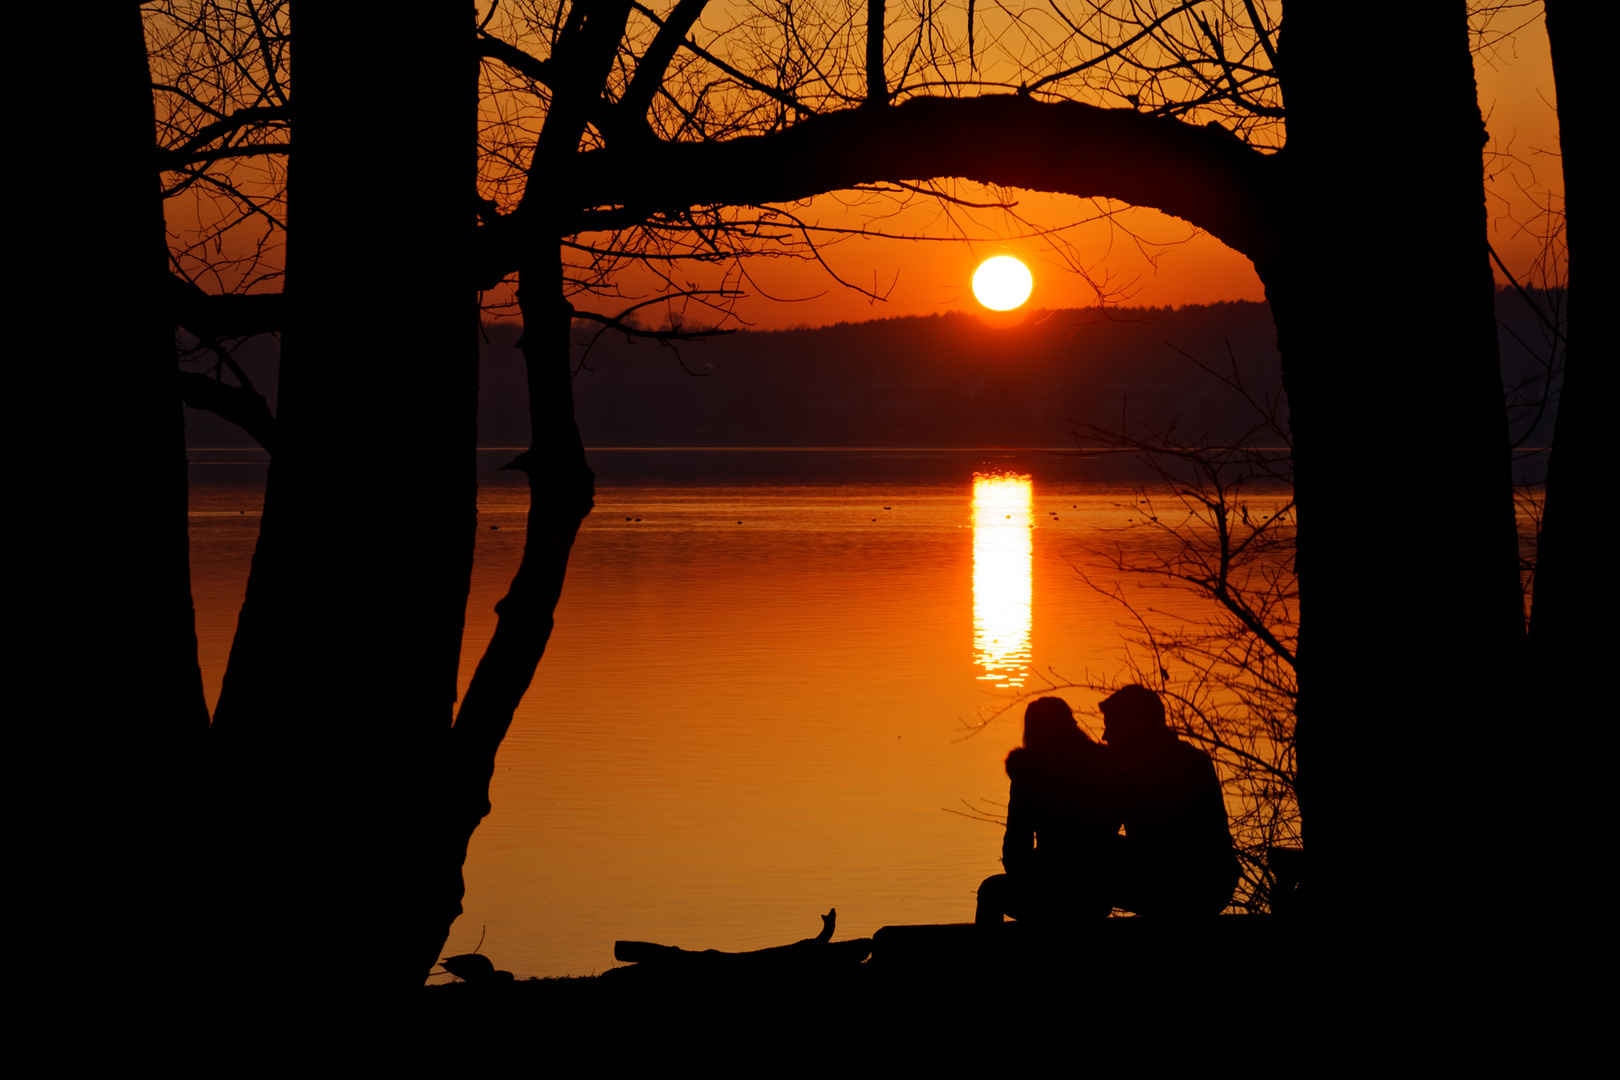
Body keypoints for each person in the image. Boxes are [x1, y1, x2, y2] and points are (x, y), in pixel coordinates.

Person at [1100, 684, 1239, 917]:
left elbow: (1101, 830)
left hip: (1178, 886)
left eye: (1111, 726)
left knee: (1082, 856)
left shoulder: (1132, 770)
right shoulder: (1194, 759)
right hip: (1216, 885)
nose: (1105, 736)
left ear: (1134, 725)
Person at [976, 697, 1117, 923]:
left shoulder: (1029, 767)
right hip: (1098, 887)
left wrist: (1023, 879)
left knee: (990, 890)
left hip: (1050, 883)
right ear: (1071, 723)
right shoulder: (1104, 762)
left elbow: (1017, 839)